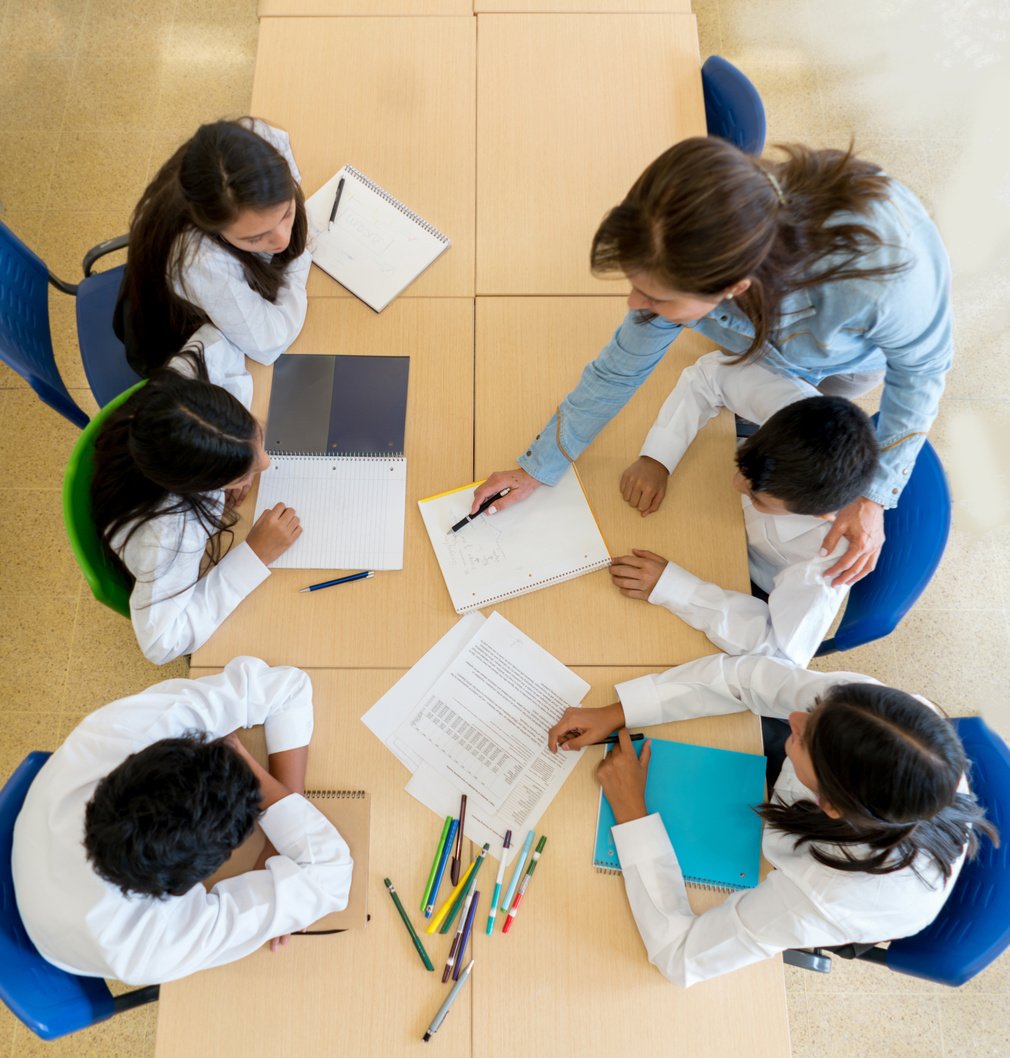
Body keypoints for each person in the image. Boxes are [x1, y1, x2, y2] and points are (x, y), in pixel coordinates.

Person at [472, 137, 952, 586]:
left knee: (810, 434)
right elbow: (620, 367)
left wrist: (873, 497)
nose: (632, 304)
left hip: (848, 355)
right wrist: (537, 468)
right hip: (760, 334)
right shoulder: (697, 246)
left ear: (733, 288)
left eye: (655, 297)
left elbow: (922, 374)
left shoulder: (887, 280)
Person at [546, 653, 996, 989]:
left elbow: (681, 957)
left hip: (835, 885)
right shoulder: (871, 713)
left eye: (801, 736)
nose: (795, 717)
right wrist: (619, 712)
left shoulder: (825, 897)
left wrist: (631, 813)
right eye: (815, 711)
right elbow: (749, 679)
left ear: (831, 805)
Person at [11, 657, 353, 985]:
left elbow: (286, 687)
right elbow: (330, 875)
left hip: (36, 851)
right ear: (190, 882)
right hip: (59, 938)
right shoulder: (151, 946)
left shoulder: (124, 730)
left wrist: (276, 828)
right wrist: (264, 789)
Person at [610, 353, 879, 666]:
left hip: (741, 584)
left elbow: (779, 652)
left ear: (820, 514)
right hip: (706, 508)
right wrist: (658, 456)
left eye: (757, 497)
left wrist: (674, 589)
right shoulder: (798, 412)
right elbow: (711, 373)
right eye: (743, 468)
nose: (737, 483)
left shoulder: (830, 563)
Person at [91, 358, 301, 664]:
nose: (266, 463)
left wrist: (240, 457)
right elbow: (160, 644)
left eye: (257, 439)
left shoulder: (186, 391)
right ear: (200, 483)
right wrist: (254, 555)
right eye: (242, 473)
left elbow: (222, 349)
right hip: (164, 569)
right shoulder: (169, 534)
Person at [116, 117, 311, 379]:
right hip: (174, 338)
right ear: (213, 228)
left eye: (287, 213)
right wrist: (300, 261)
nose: (283, 240)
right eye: (255, 238)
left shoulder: (256, 143)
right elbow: (268, 342)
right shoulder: (200, 259)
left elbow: (287, 170)